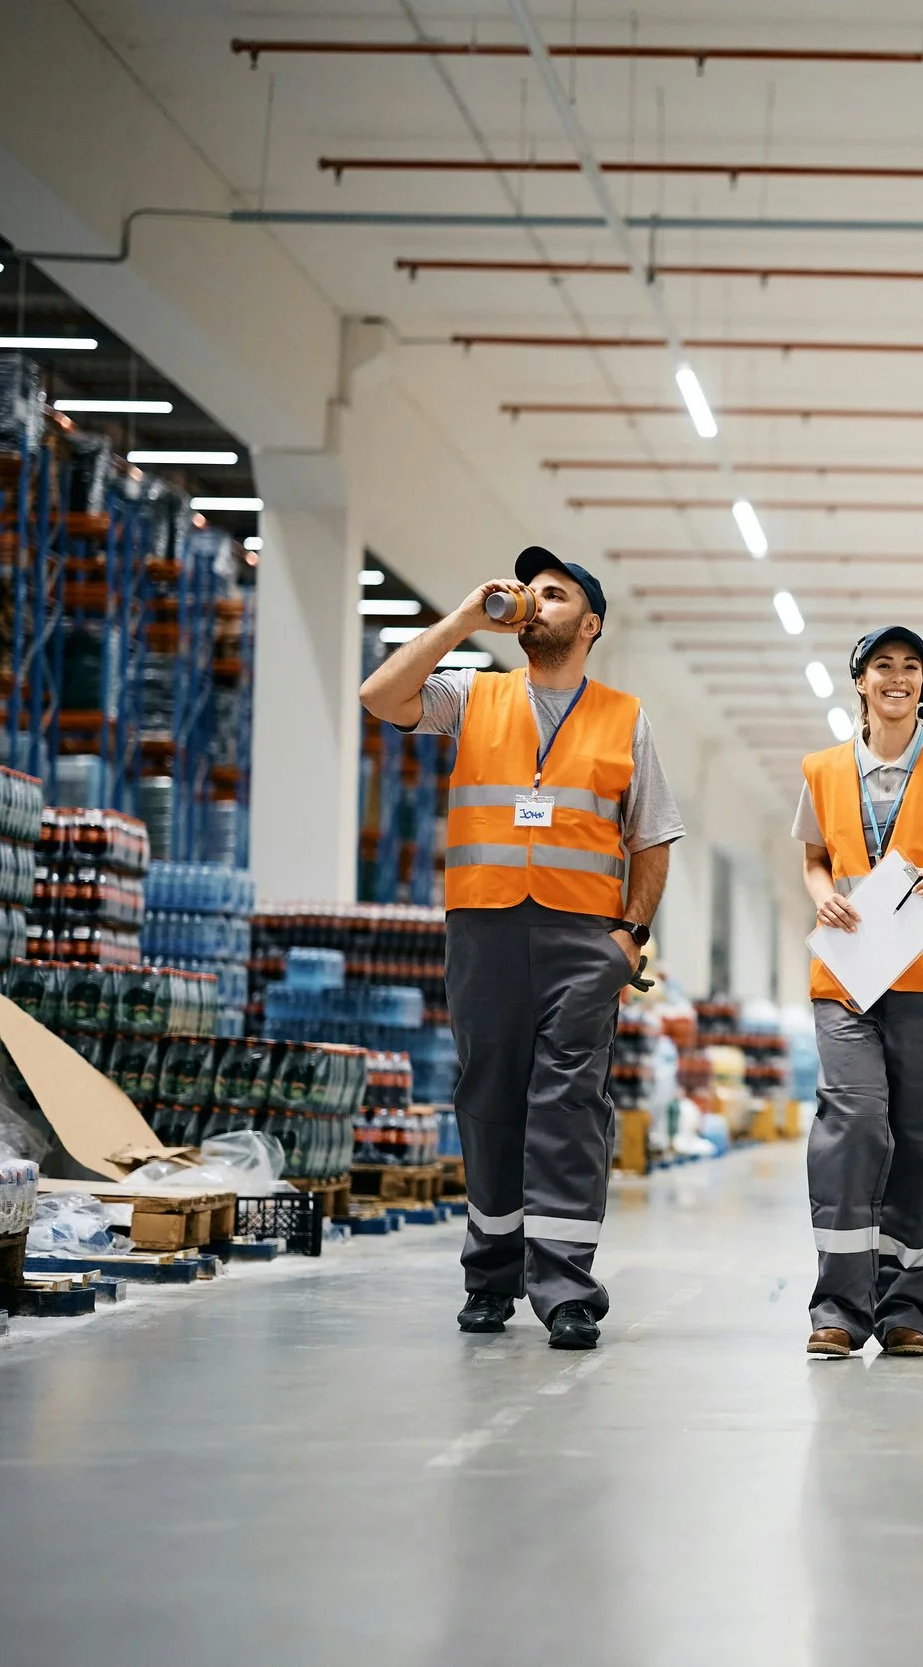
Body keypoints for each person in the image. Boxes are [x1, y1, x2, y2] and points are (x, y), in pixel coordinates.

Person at [358, 547, 683, 1350]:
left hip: (583, 940)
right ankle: (490, 1276)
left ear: (591, 623)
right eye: (531, 590)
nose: (538, 601)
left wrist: (629, 936)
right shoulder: (473, 694)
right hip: (485, 930)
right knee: (489, 1099)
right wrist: (467, 619)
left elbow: (653, 837)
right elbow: (379, 694)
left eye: (557, 593)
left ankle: (566, 1286)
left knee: (569, 1108)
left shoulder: (623, 716)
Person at [795, 627, 923, 1361]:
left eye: (912, 667)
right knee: (852, 1123)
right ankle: (839, 1308)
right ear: (859, 680)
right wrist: (823, 896)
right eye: (884, 665)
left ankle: (908, 1306)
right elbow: (816, 859)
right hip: (849, 978)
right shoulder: (823, 768)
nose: (899, 677)